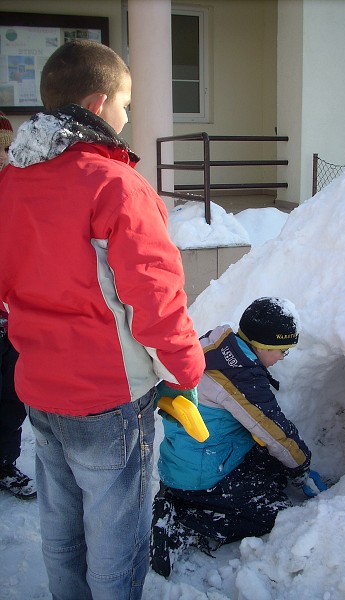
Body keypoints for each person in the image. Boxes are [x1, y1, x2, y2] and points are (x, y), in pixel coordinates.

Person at [0, 40, 205, 600]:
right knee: (118, 542)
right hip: (108, 401)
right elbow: (156, 300)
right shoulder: (115, 185)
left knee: (63, 528)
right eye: (127, 103)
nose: (128, 116)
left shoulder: (10, 183)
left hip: (40, 390)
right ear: (99, 103)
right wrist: (185, 371)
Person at [151, 297, 314, 577]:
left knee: (271, 471)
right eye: (282, 351)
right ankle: (184, 525)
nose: (282, 358)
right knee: (271, 512)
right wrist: (303, 468)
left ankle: (177, 498)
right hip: (201, 475)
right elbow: (277, 433)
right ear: (262, 346)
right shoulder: (241, 379)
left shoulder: (220, 342)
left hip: (183, 458)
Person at [0, 111, 37, 500]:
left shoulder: (16, 191)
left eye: (5, 149)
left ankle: (4, 464)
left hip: (12, 320)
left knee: (10, 399)